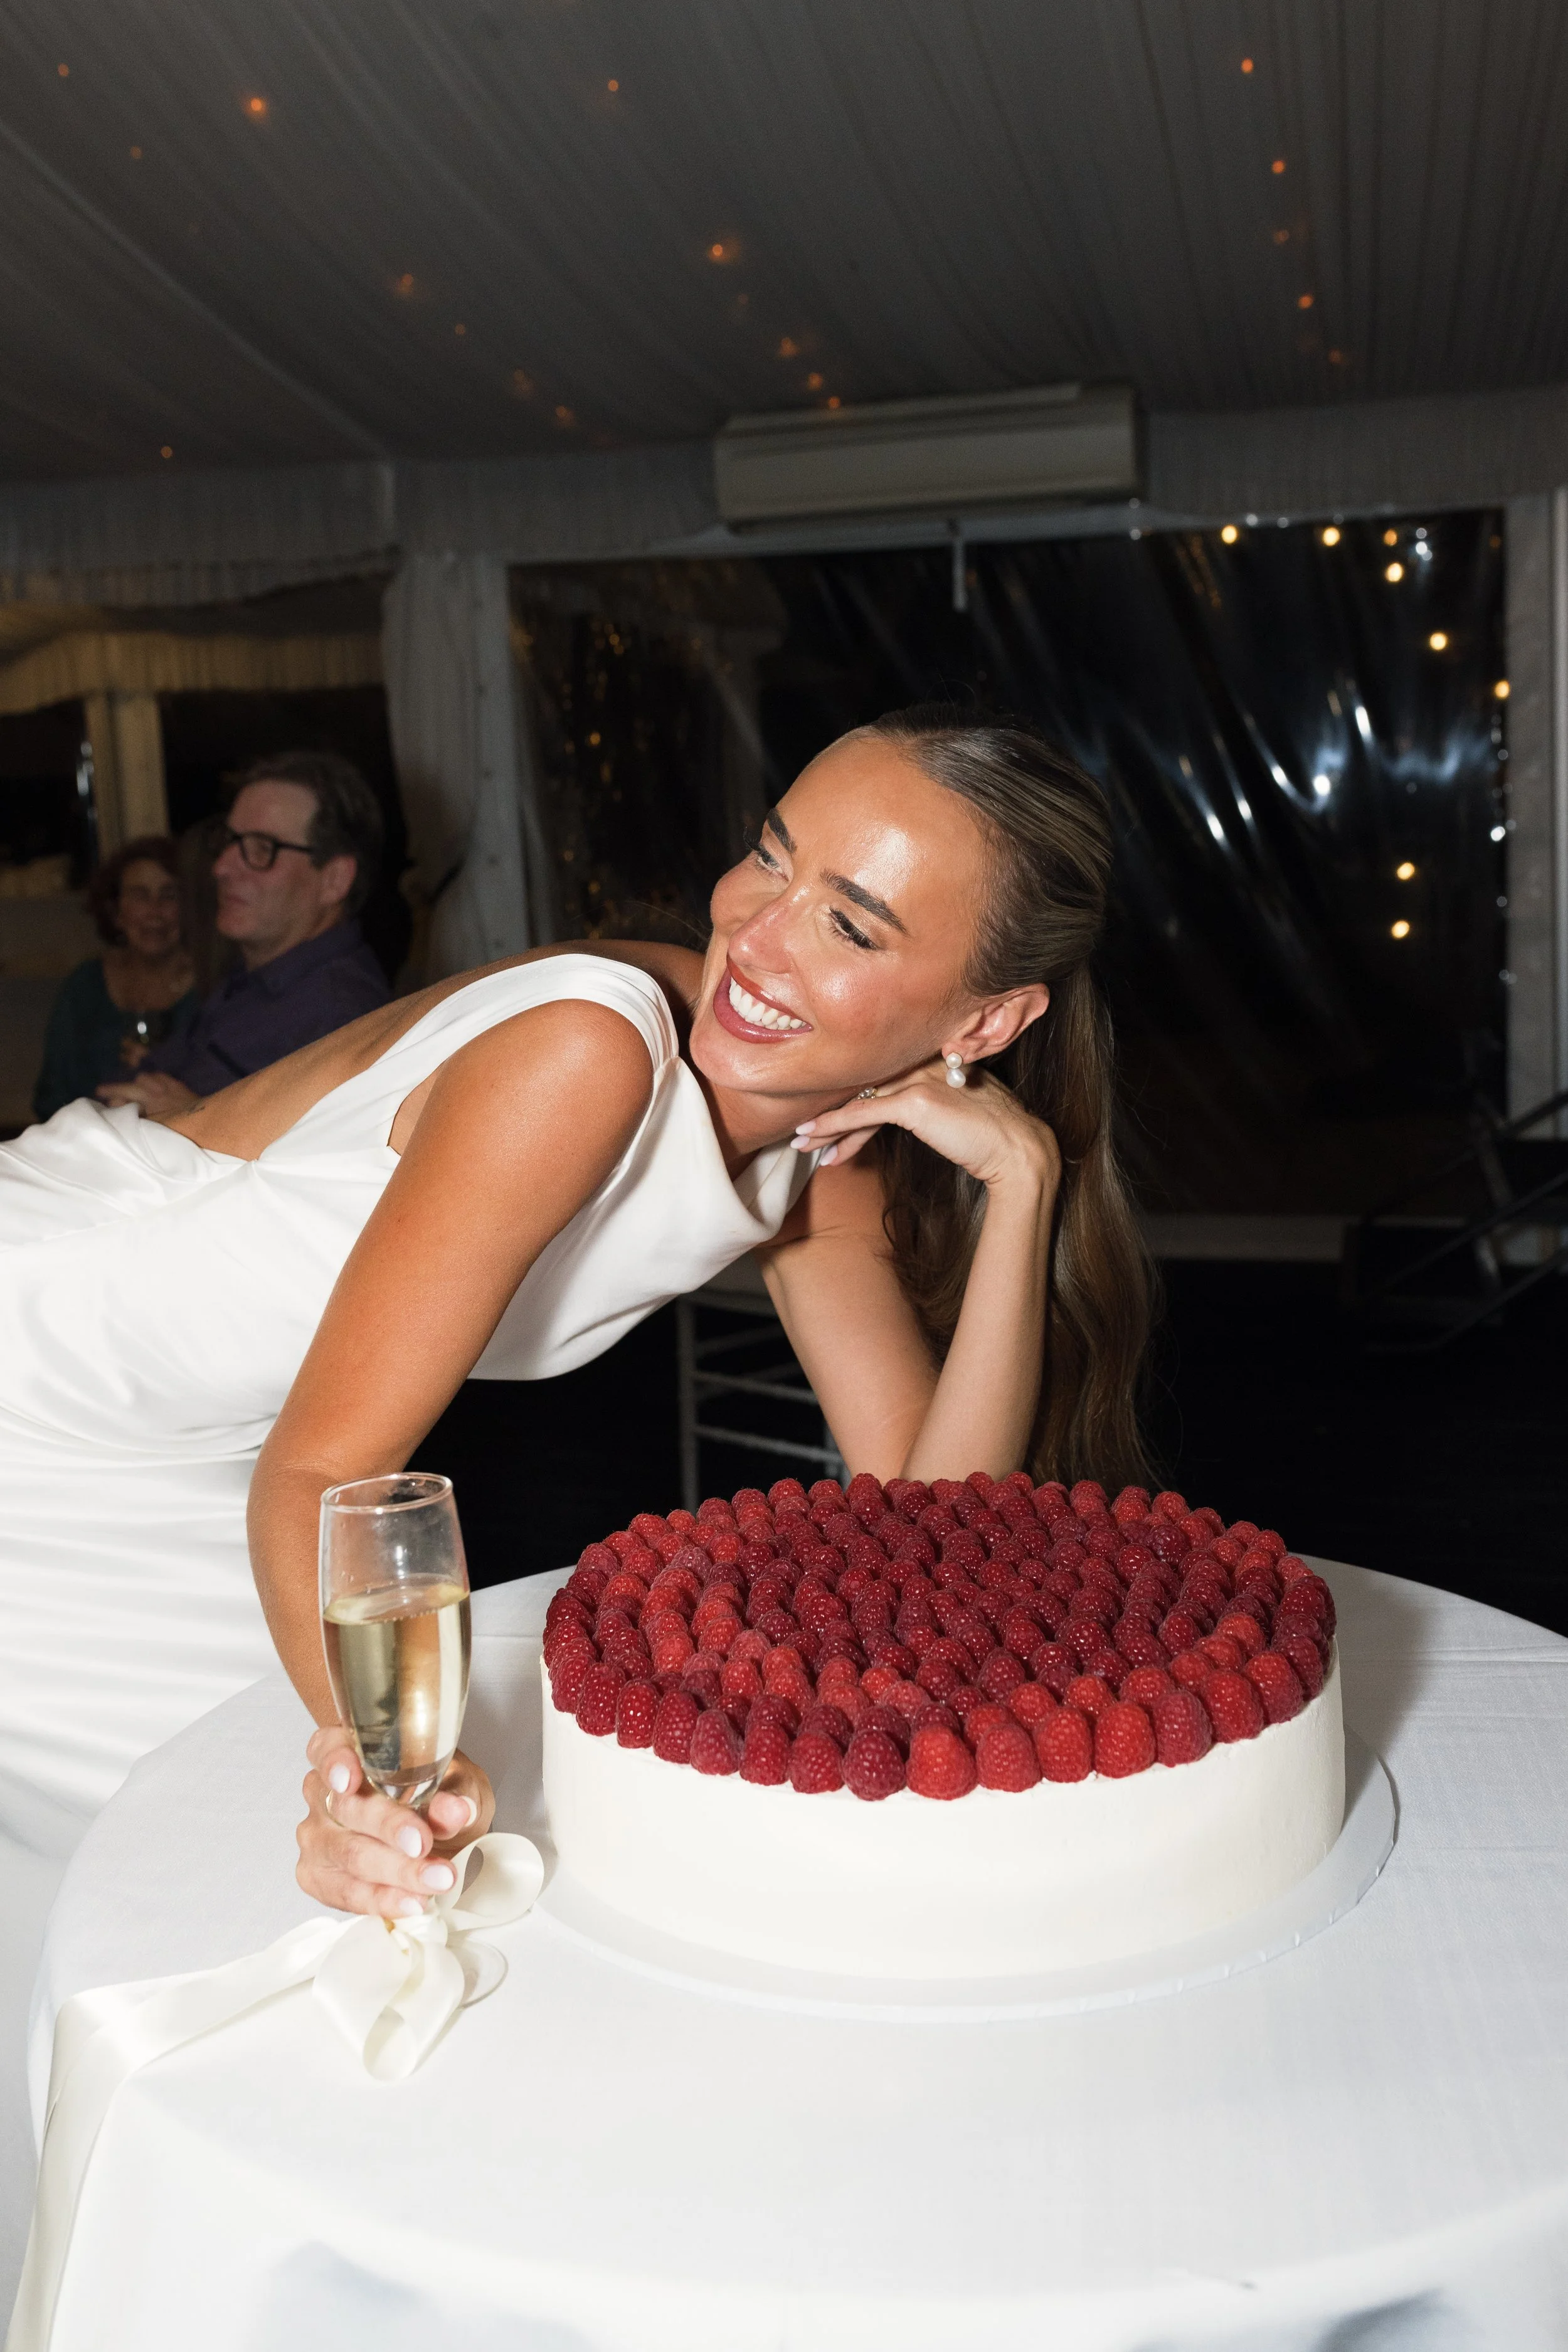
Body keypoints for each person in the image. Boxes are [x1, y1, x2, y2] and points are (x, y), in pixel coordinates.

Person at [0, 705, 1150, 1912]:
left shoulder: (826, 1160)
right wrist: (380, 1775)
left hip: (213, 1443)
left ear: (985, 1023)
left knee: (220, 1865)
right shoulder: (592, 1050)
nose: (755, 936)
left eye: (848, 923)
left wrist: (1023, 1186)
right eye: (770, 854)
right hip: (45, 1366)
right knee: (258, 1859)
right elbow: (328, 1469)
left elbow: (926, 1522)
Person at [97, 750, 390, 1116]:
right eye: (230, 841)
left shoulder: (343, 1018)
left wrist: (197, 1122)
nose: (221, 868)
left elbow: (323, 1168)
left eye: (262, 849)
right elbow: (139, 1082)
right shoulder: (253, 979)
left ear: (334, 881)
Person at [31, 837, 197, 1122]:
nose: (155, 911)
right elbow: (52, 1097)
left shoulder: (212, 988)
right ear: (116, 911)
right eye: (140, 896)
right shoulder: (84, 988)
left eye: (169, 895)